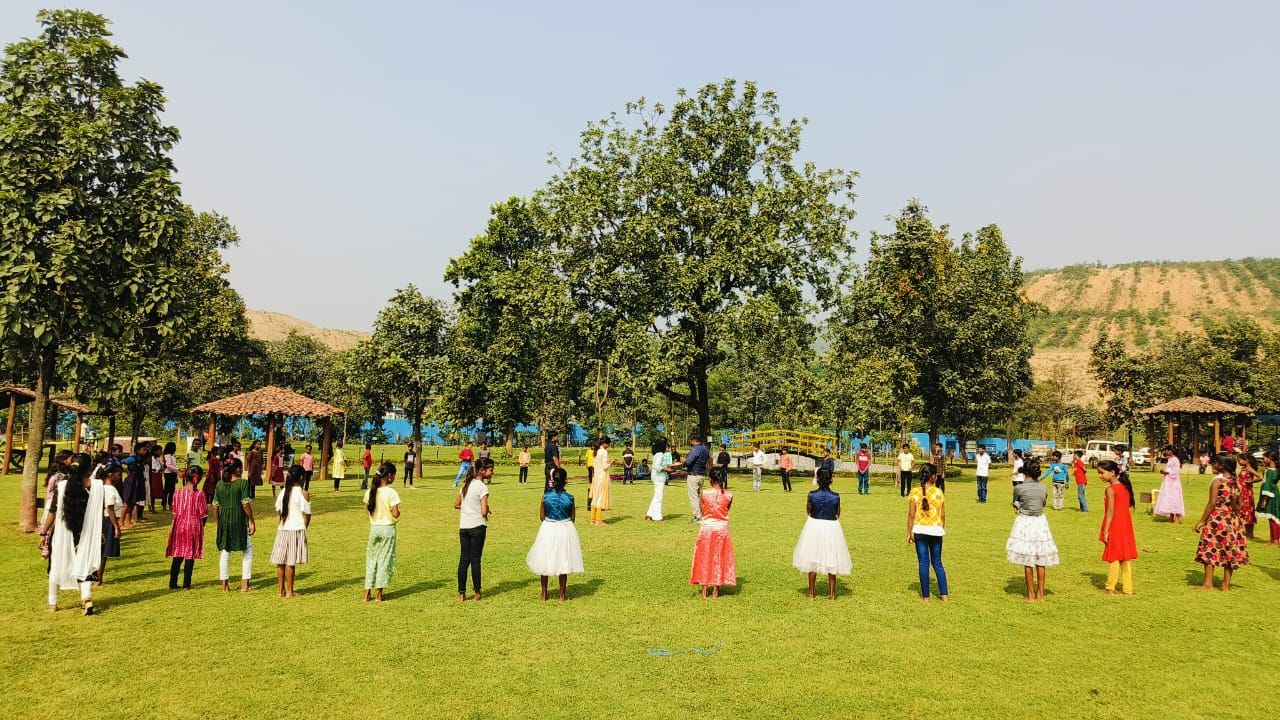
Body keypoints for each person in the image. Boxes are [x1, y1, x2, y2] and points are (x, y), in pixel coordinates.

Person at [40, 454, 114, 614]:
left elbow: (53, 511)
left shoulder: (62, 486)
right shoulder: (97, 486)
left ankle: (52, 603)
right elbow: (99, 511)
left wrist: (44, 531)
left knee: (57, 565)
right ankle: (86, 599)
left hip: (64, 532)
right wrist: (100, 532)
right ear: (89, 468)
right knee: (85, 564)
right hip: (87, 532)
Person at [792, 469, 852, 600]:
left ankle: (811, 592)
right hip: (831, 526)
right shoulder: (836, 496)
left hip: (814, 526)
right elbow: (838, 513)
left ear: (818, 479)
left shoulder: (812, 494)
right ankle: (832, 594)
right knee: (832, 557)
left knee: (813, 557)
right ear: (831, 480)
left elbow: (808, 510)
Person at [527, 467, 584, 601]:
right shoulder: (570, 498)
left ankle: (544, 593)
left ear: (552, 480)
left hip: (548, 528)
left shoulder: (546, 496)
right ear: (566, 481)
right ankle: (562, 595)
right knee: (564, 560)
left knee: (544, 559)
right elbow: (573, 518)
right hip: (565, 528)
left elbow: (542, 516)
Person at [1194, 454, 1250, 590]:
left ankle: (1208, 583)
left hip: (1217, 520)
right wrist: (1235, 501)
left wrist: (1202, 521)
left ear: (1222, 466)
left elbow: (1212, 503)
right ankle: (1225, 585)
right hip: (1233, 521)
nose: (1213, 465)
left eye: (1216, 463)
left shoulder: (1217, 482)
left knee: (1210, 548)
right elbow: (1239, 507)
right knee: (1230, 550)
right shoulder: (1238, 483)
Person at [1007, 458, 1058, 602]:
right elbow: (1043, 503)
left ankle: (1030, 595)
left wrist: (1019, 506)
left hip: (1025, 522)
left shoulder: (1019, 488)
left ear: (1025, 472)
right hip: (1040, 522)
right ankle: (1040, 594)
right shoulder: (1043, 488)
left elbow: (1016, 503)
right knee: (1040, 559)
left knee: (1027, 559)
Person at [690, 468, 736, 599]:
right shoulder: (729, 495)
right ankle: (716, 590)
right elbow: (726, 510)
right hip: (721, 530)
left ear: (710, 479)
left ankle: (705, 589)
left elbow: (702, 510)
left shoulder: (704, 493)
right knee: (720, 557)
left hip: (707, 529)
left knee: (704, 557)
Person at [906, 463, 948, 602]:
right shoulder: (939, 492)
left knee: (923, 563)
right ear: (933, 477)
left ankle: (926, 597)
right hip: (936, 530)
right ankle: (944, 595)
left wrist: (909, 533)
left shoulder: (914, 492)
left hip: (920, 530)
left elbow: (911, 515)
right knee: (937, 562)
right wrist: (941, 528)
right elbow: (942, 515)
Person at [212, 458, 256, 592]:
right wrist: (252, 521)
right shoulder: (243, 483)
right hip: (238, 519)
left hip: (224, 519)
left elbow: (215, 506)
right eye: (241, 467)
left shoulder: (219, 484)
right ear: (237, 469)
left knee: (226, 550)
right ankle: (245, 585)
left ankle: (225, 586)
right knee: (247, 549)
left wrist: (218, 523)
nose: (242, 470)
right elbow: (245, 504)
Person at [454, 457, 493, 601]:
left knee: (464, 559)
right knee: (476, 559)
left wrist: (468, 508)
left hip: (464, 527)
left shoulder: (466, 485)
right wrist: (486, 509)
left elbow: (456, 504)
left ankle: (461, 593)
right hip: (477, 526)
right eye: (490, 470)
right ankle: (477, 592)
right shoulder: (482, 487)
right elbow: (483, 511)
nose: (492, 472)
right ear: (482, 471)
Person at [1096, 460, 1137, 595]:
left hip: (1115, 525)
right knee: (1125, 557)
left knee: (1113, 556)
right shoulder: (1125, 487)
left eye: (1102, 473)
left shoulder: (1110, 489)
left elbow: (1110, 511)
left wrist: (1106, 530)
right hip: (1125, 525)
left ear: (1112, 472)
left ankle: (1110, 587)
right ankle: (1128, 589)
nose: (1100, 476)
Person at [271, 464, 312, 597]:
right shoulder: (303, 493)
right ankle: (290, 591)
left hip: (283, 528)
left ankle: (280, 591)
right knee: (290, 561)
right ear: (301, 478)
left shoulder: (283, 491)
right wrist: (304, 527)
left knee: (280, 561)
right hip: (296, 528)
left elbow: (279, 511)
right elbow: (307, 515)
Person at [165, 466, 207, 590]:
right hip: (193, 525)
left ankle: (172, 583)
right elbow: (203, 513)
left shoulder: (178, 492)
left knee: (177, 553)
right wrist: (201, 525)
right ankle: (186, 584)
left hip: (179, 525)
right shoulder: (199, 494)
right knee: (190, 554)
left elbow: (174, 510)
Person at [364, 463, 401, 602]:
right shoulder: (391, 492)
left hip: (374, 528)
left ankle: (366, 593)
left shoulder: (370, 492)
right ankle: (379, 594)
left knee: (371, 559)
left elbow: (370, 510)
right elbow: (395, 513)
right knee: (384, 560)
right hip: (387, 529)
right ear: (389, 476)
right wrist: (397, 513)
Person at [98, 463, 125, 585]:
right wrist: (116, 526)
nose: (120, 477)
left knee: (102, 551)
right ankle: (98, 578)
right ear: (110, 475)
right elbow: (110, 509)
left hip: (105, 520)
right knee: (103, 551)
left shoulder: (102, 488)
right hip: (108, 521)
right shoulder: (109, 489)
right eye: (118, 474)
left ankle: (98, 577)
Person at [680, 435, 710, 523]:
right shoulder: (705, 450)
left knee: (693, 497)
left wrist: (683, 461)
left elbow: (688, 462)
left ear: (694, 440)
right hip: (702, 475)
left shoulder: (695, 449)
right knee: (700, 496)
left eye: (690, 441)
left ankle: (698, 516)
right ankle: (702, 515)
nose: (690, 442)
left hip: (693, 475)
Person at [1153, 446, 1184, 523]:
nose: (1166, 452)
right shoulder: (1170, 459)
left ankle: (1177, 517)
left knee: (1175, 497)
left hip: (1174, 482)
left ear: (1171, 451)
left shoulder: (1175, 460)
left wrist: (1167, 472)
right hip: (1168, 481)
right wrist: (1164, 471)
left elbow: (1176, 471)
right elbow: (1169, 469)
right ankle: (1171, 516)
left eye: (1167, 451)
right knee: (1169, 497)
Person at [1256, 451, 1279, 546]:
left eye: (1264, 458)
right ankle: (1272, 539)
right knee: (1271, 518)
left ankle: (1276, 540)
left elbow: (1267, 486)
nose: (1263, 460)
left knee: (1273, 518)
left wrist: (1264, 500)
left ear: (1270, 459)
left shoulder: (1270, 471)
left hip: (1270, 496)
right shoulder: (1273, 470)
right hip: (1273, 494)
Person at [646, 439, 672, 522]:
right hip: (659, 478)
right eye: (666, 445)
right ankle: (657, 517)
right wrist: (666, 469)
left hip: (657, 478)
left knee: (656, 496)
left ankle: (649, 514)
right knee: (659, 498)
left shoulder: (657, 454)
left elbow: (659, 464)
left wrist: (671, 465)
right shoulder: (660, 454)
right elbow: (657, 466)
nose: (667, 447)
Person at [589, 438, 613, 526]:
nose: (609, 446)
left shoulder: (596, 452)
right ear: (605, 443)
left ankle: (593, 519)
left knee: (595, 498)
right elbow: (604, 467)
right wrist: (611, 462)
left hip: (596, 477)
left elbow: (594, 465)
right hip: (602, 477)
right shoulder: (604, 452)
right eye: (608, 444)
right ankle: (598, 520)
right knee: (599, 498)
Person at [1238, 453, 1261, 539]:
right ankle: (1246, 533)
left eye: (1239, 460)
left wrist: (1251, 482)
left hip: (1247, 492)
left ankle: (1250, 534)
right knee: (1244, 511)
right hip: (1242, 492)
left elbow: (1260, 477)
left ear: (1246, 460)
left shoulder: (1249, 469)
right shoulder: (1243, 468)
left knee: (1249, 511)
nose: (1238, 462)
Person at [161, 441, 180, 511]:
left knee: (172, 490)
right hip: (168, 474)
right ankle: (164, 505)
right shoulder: (167, 455)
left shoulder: (172, 456)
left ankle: (170, 504)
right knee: (167, 490)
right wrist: (177, 469)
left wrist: (176, 474)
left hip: (173, 474)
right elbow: (168, 465)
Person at [148, 443, 164, 514]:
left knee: (155, 492)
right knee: (152, 491)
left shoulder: (158, 458)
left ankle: (153, 507)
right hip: (153, 476)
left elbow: (162, 466)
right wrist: (158, 469)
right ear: (154, 451)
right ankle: (150, 507)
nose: (160, 452)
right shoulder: (151, 458)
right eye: (159, 451)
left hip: (158, 476)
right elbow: (152, 468)